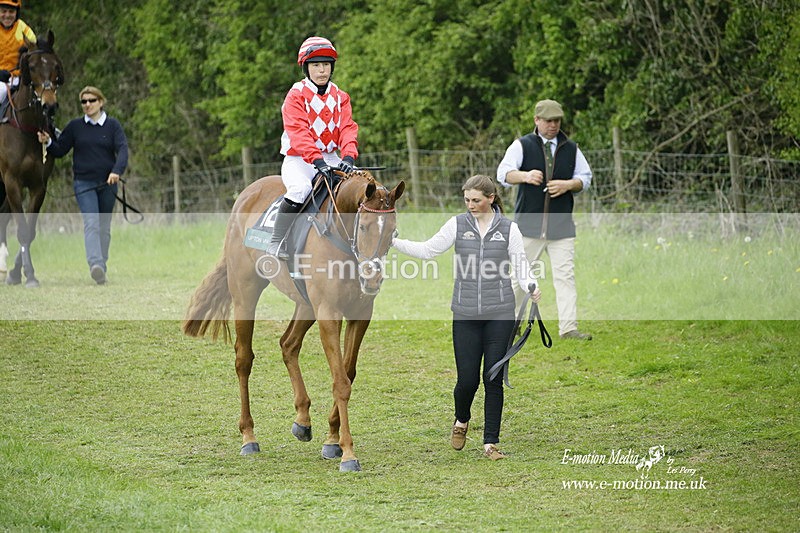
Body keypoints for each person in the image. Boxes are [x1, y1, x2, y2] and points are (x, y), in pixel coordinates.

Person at [392, 175, 541, 460]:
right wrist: (394, 242)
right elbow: (428, 250)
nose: (470, 205)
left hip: (500, 313)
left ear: (491, 199)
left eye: (476, 200)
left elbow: (521, 265)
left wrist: (531, 285)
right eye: (467, 200)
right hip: (465, 313)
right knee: (467, 381)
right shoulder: (457, 225)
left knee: (493, 378)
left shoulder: (509, 230)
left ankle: (491, 443)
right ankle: (461, 420)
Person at [497, 99, 593, 341]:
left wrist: (569, 184)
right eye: (548, 121)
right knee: (519, 279)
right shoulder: (522, 145)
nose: (553, 125)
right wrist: (525, 175)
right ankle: (509, 325)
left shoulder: (571, 148)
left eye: (557, 121)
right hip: (528, 227)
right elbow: (503, 173)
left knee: (565, 278)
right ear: (536, 121)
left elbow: (585, 177)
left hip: (562, 228)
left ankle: (569, 328)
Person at [267, 36, 359, 260]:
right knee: (299, 190)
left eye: (326, 64)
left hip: (331, 158)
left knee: (359, 188)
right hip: (300, 160)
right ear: (306, 68)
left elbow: (348, 128)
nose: (322, 70)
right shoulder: (295, 96)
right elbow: (299, 133)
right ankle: (276, 242)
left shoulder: (341, 97)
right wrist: (318, 162)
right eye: (316, 65)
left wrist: (348, 157)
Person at [37, 86, 129, 285]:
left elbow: (122, 150)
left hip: (108, 183)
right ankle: (95, 264)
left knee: (104, 227)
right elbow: (61, 149)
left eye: (91, 101)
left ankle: (101, 266)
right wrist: (49, 142)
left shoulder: (113, 126)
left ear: (101, 102)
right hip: (83, 183)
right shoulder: (75, 127)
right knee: (92, 223)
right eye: (84, 102)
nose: (87, 105)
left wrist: (116, 171)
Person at [0, 0, 35, 105]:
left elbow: (35, 47)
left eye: (11, 11)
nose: (7, 15)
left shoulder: (22, 28)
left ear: (17, 13)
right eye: (3, 11)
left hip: (18, 77)